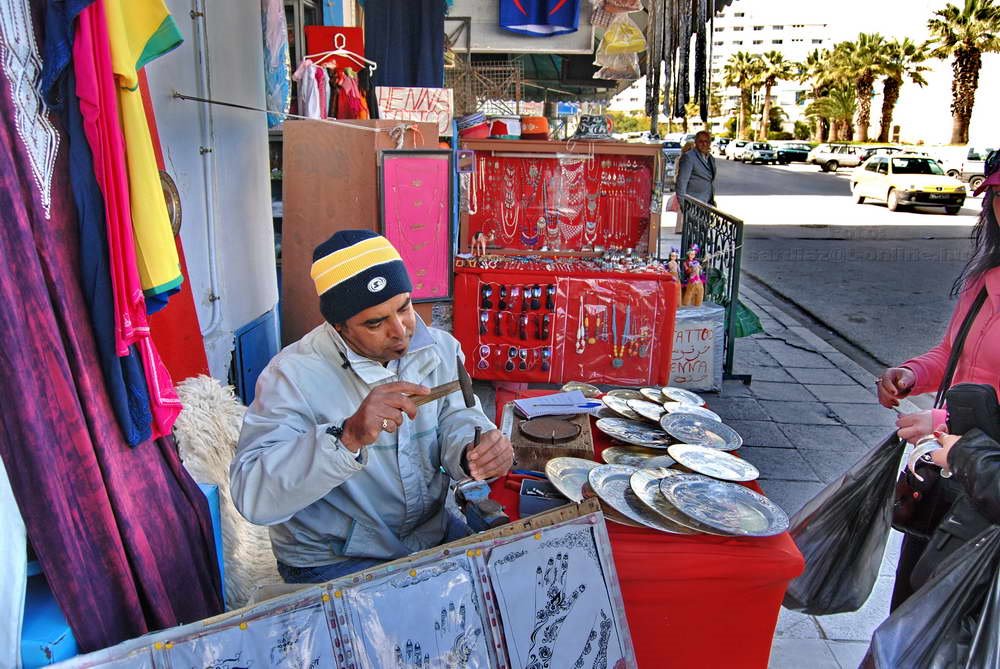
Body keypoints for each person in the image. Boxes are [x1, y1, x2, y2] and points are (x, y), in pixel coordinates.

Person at [230, 230, 514, 583]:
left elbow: (457, 415)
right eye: (375, 322)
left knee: (510, 581)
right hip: (333, 557)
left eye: (404, 307)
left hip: (424, 535)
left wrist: (474, 449)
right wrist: (346, 437)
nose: (400, 331)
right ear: (339, 327)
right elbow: (253, 495)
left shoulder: (439, 348)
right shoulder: (290, 376)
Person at [876, 149, 1000, 607]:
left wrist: (942, 422)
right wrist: (911, 374)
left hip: (988, 493)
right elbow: (952, 351)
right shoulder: (984, 279)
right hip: (951, 479)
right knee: (909, 618)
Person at [674, 131, 717, 235]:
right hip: (693, 206)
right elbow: (681, 183)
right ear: (696, 142)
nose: (704, 144)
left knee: (702, 237)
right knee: (692, 239)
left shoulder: (710, 158)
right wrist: (684, 206)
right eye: (701, 141)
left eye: (707, 141)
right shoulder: (689, 157)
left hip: (706, 205)